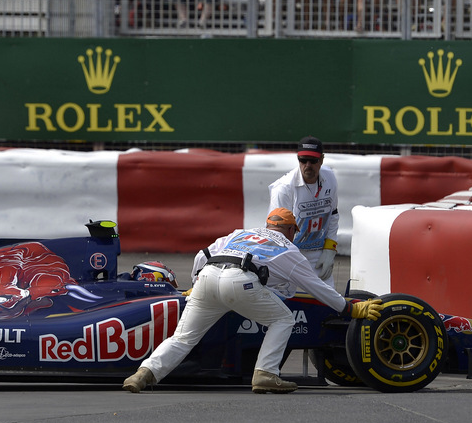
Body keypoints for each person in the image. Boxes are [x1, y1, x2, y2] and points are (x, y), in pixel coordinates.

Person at [121, 208, 382, 394]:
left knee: (183, 338)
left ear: (269, 225)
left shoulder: (239, 233)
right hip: (240, 281)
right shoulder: (289, 249)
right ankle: (266, 373)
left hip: (208, 277)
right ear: (291, 230)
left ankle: (143, 374)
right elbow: (316, 287)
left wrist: (194, 284)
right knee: (283, 319)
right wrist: (350, 308)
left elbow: (203, 254)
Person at [267, 135, 340, 281]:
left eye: (313, 161)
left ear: (322, 159)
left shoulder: (330, 178)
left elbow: (333, 214)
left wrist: (330, 248)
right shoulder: (284, 188)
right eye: (303, 160)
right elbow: (275, 231)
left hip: (318, 252)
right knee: (284, 300)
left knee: (328, 299)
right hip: (288, 252)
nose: (308, 165)